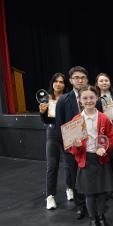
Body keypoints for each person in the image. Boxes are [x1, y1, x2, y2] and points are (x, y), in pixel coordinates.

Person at [56, 66, 102, 219]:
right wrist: (67, 146)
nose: (80, 80)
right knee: (76, 177)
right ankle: (81, 205)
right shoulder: (63, 100)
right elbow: (59, 125)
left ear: (87, 79)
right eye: (76, 77)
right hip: (73, 148)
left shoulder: (94, 98)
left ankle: (95, 204)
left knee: (93, 176)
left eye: (82, 77)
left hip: (92, 148)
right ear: (71, 80)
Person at [69, 85, 113, 226]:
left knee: (102, 192)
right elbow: (72, 147)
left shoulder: (103, 118)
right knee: (89, 193)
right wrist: (75, 146)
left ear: (96, 98)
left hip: (100, 158)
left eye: (91, 97)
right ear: (80, 101)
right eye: (85, 98)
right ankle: (93, 220)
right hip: (86, 159)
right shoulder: (76, 120)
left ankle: (101, 218)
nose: (89, 100)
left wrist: (105, 148)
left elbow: (111, 137)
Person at [39, 73, 66, 210]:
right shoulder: (46, 98)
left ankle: (70, 188)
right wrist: (43, 112)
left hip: (67, 134)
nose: (58, 84)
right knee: (52, 166)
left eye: (61, 82)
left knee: (69, 165)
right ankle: (50, 196)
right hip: (53, 134)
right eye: (56, 81)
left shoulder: (68, 98)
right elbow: (45, 121)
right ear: (52, 83)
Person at [95, 73, 113, 199]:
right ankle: (104, 187)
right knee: (103, 161)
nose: (104, 82)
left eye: (106, 80)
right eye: (101, 81)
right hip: (100, 132)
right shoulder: (94, 98)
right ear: (97, 83)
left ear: (110, 82)